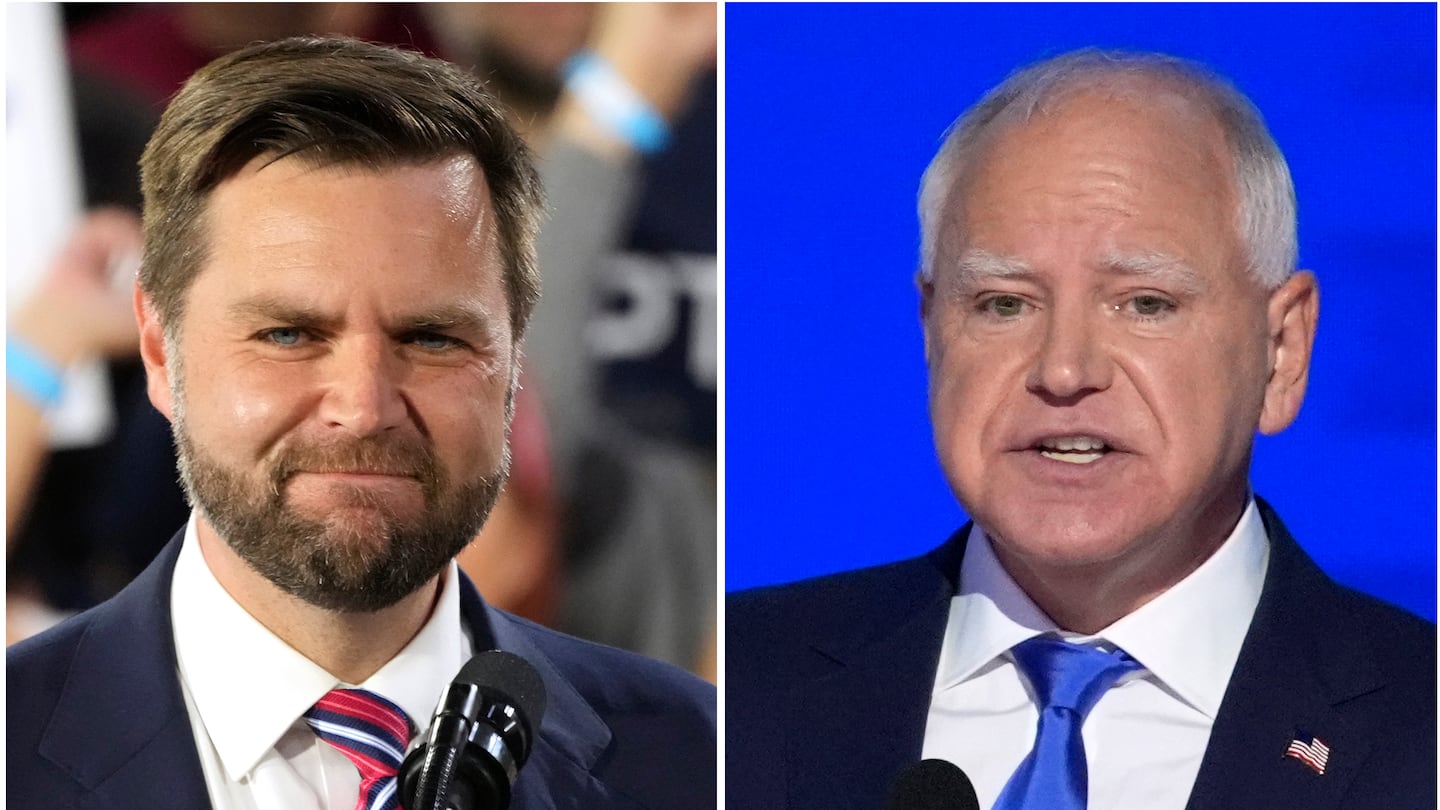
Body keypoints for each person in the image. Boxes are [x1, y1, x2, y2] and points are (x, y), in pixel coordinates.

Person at [8, 36, 714, 808]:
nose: (364, 406)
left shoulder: (698, 760)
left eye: (431, 337)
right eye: (289, 335)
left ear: (514, 360)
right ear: (158, 348)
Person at [727, 49, 1435, 809]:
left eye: (1145, 303)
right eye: (1004, 304)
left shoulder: (1418, 730)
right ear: (931, 331)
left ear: (1283, 352)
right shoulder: (735, 692)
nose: (1064, 371)